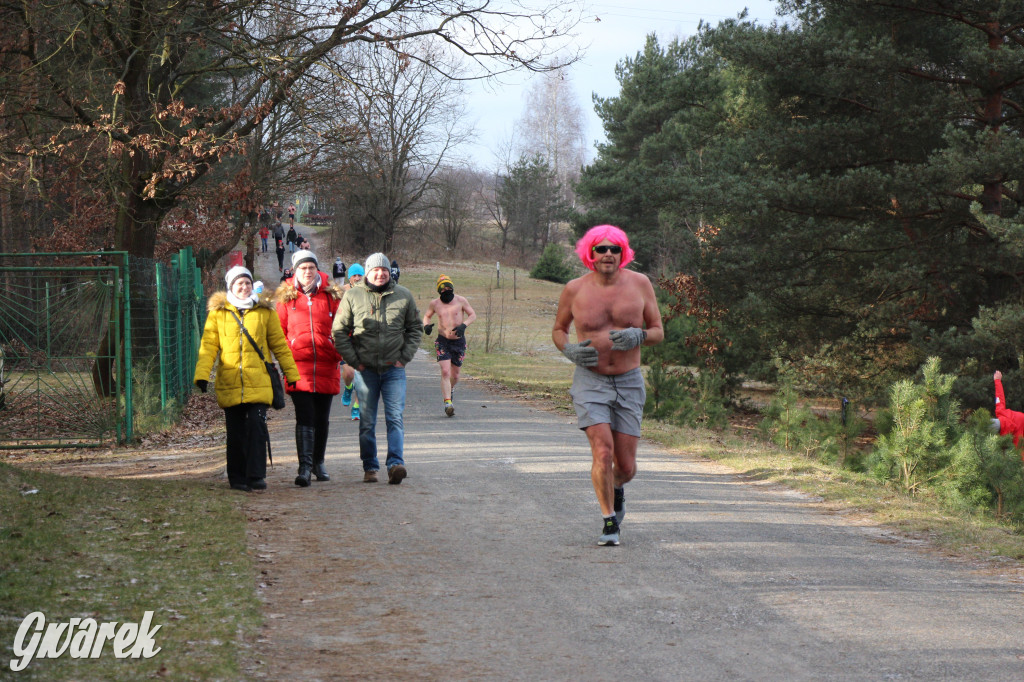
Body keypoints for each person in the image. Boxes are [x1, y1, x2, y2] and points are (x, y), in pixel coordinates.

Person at [552, 225, 664, 546]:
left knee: (625, 466)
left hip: (629, 381)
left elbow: (657, 330)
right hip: (591, 380)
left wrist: (639, 335)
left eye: (614, 249)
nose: (608, 254)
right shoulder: (575, 289)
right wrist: (568, 349)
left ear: (623, 253)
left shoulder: (641, 284)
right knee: (603, 452)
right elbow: (559, 330)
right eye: (601, 249)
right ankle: (608, 521)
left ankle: (617, 488)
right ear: (590, 253)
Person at [194, 266, 300, 492]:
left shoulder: (265, 312)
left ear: (252, 286)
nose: (244, 287)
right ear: (231, 287)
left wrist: (291, 374)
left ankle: (256, 475)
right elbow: (208, 346)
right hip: (230, 381)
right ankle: (237, 477)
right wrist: (202, 375)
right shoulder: (218, 314)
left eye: (247, 283)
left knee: (256, 425)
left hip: (258, 380)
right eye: (239, 284)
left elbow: (279, 346)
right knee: (235, 432)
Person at [332, 253, 422, 484]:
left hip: (394, 370)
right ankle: (370, 466)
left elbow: (415, 328)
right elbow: (339, 331)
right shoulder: (352, 296)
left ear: (388, 272)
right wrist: (354, 360)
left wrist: (405, 357)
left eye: (383, 270)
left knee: (395, 417)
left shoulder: (403, 295)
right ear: (367, 272)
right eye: (375, 270)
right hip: (366, 371)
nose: (380, 273)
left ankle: (395, 464)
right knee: (367, 421)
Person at [276, 250, 345, 486]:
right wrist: (290, 353)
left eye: (311, 268)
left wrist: (336, 350)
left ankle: (319, 461)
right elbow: (279, 333)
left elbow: (344, 328)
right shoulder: (285, 298)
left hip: (327, 364)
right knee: (305, 416)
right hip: (298, 367)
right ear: (296, 270)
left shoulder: (332, 295)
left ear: (318, 270)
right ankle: (304, 467)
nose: (307, 272)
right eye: (303, 268)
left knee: (322, 418)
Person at [422, 274, 476, 416]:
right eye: (443, 289)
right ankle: (447, 403)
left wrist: (464, 326)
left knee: (455, 375)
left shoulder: (461, 300)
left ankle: (450, 390)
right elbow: (427, 316)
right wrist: (426, 326)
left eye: (448, 287)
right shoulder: (435, 303)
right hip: (443, 341)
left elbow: (472, 315)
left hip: (459, 341)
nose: (446, 290)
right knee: (445, 371)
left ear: (452, 287)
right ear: (439, 291)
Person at [339, 264, 365, 421]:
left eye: (360, 275)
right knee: (349, 373)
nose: (357, 278)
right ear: (349, 277)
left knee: (361, 374)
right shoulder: (341, 291)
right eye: (355, 275)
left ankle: (357, 407)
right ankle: (348, 387)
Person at [993, 371, 1024, 456]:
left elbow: (1020, 454)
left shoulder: (1007, 438)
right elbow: (999, 397)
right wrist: (997, 380)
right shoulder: (1000, 412)